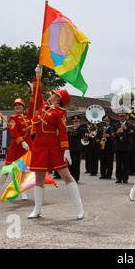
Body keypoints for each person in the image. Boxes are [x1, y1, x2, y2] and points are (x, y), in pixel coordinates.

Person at [27, 67, 84, 220]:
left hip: (53, 145)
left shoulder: (60, 112)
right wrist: (37, 76)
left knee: (65, 174)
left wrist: (66, 149)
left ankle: (79, 207)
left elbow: (63, 131)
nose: (50, 94)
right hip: (39, 144)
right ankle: (37, 208)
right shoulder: (42, 107)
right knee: (38, 176)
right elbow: (37, 93)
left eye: (54, 94)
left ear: (58, 98)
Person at [0, 98, 32, 200]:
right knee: (7, 169)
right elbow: (14, 132)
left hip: (26, 147)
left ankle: (23, 191)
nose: (17, 106)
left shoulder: (27, 118)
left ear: (23, 107)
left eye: (20, 105)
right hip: (17, 147)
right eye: (15, 105)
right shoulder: (13, 118)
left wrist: (33, 92)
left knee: (24, 169)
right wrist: (22, 142)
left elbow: (33, 105)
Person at [113, 110, 134, 184]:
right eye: (120, 116)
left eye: (123, 116)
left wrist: (127, 129)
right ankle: (118, 178)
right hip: (118, 146)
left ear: (126, 117)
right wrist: (117, 132)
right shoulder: (115, 125)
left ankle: (125, 178)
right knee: (118, 163)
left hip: (126, 146)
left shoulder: (129, 124)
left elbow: (133, 133)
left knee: (126, 163)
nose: (122, 118)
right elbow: (113, 136)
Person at [67, 115, 86, 183]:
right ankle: (71, 178)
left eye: (77, 121)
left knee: (76, 164)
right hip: (70, 149)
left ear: (79, 122)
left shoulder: (82, 129)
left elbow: (76, 134)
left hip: (77, 149)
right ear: (72, 122)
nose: (76, 123)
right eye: (74, 122)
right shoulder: (69, 129)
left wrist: (71, 129)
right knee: (70, 164)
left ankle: (76, 178)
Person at [99, 115, 115, 179]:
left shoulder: (112, 127)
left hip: (109, 146)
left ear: (110, 121)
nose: (106, 122)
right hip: (102, 146)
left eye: (107, 120)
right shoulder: (101, 128)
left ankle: (109, 174)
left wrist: (109, 135)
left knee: (109, 162)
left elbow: (114, 136)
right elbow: (97, 136)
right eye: (105, 120)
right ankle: (103, 174)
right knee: (102, 161)